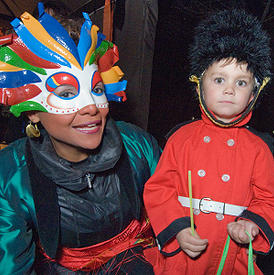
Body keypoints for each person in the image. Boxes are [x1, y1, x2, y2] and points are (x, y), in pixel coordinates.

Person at [0, 3, 161, 274]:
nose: (91, 107)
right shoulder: (10, 175)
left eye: (96, 88)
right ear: (33, 113)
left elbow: (175, 207)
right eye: (65, 94)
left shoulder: (138, 146)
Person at [144, 9, 274, 274]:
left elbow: (269, 198)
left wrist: (252, 223)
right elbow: (159, 190)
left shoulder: (259, 149)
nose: (229, 89)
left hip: (231, 255)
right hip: (182, 254)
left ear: (253, 95)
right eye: (219, 79)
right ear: (198, 86)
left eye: (241, 82)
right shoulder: (180, 138)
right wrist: (178, 229)